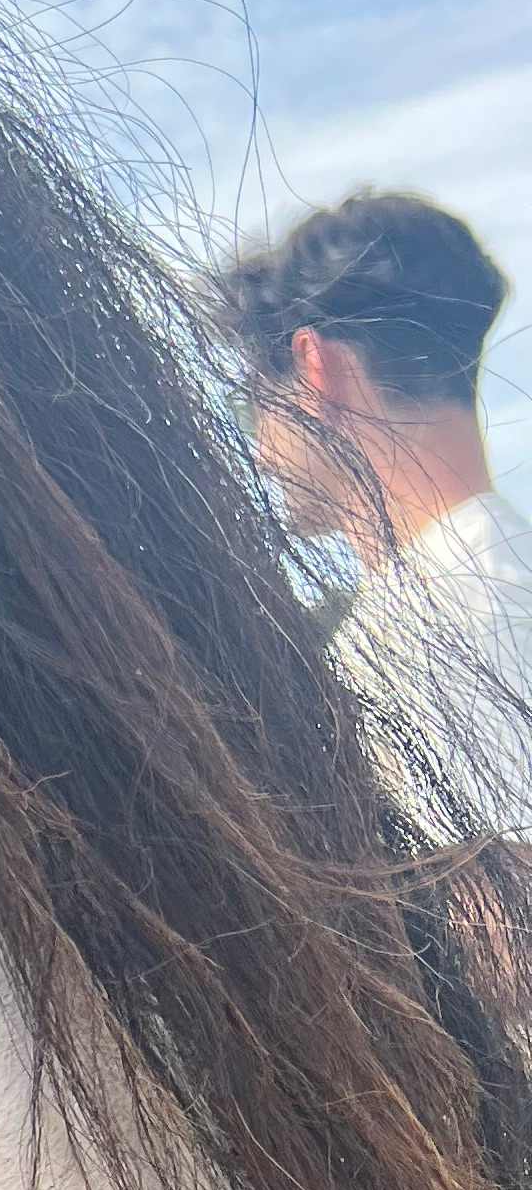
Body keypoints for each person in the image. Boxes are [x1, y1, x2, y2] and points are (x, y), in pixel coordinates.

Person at [220, 191, 532, 802]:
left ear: (315, 370)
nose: (259, 453)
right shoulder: (477, 583)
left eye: (253, 408)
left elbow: (498, 896)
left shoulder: (460, 614)